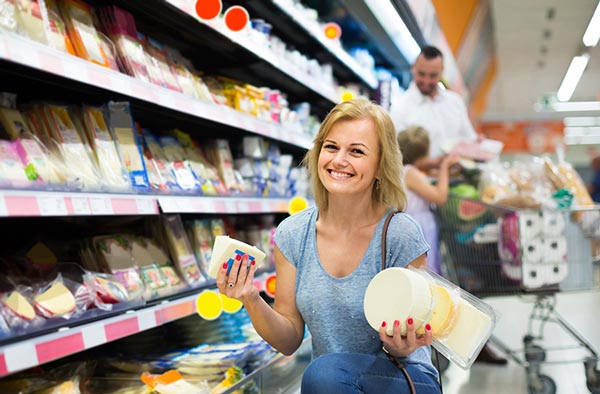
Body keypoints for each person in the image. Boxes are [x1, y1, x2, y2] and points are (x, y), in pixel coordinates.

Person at [216, 99, 441, 393]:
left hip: (404, 378)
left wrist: (401, 344)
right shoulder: (293, 234)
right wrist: (250, 298)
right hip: (334, 385)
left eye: (357, 151)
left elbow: (416, 336)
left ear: (379, 166)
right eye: (331, 147)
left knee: (323, 373)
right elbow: (289, 339)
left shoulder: (400, 233)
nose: (338, 160)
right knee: (325, 375)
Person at [390, 45, 478, 171]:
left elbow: (468, 138)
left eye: (433, 75)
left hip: (457, 177)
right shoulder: (400, 107)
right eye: (421, 74)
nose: (426, 81)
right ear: (413, 68)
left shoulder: (455, 102)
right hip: (420, 184)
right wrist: (432, 163)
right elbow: (395, 155)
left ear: (442, 72)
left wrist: (478, 144)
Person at [397, 126, 459, 276]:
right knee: (425, 271)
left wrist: (437, 164)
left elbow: (424, 167)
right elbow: (440, 198)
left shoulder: (405, 169)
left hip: (414, 223)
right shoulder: (411, 173)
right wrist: (444, 167)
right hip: (420, 226)